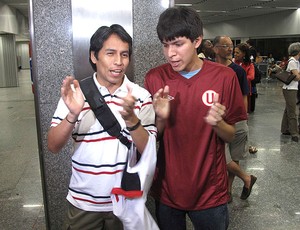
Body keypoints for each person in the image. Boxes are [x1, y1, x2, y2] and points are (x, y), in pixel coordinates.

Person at [144, 7, 247, 230]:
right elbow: (152, 139)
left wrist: (218, 123)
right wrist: (160, 118)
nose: (170, 53)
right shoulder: (155, 78)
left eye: (178, 44)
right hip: (168, 189)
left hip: (210, 191)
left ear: (197, 40)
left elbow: (230, 135)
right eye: (165, 45)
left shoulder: (224, 77)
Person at [47, 24, 157, 229]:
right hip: (83, 203)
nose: (118, 62)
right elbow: (53, 146)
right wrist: (73, 113)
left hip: (125, 202)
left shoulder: (140, 96)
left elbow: (150, 150)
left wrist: (132, 121)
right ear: (94, 56)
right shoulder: (76, 94)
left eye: (124, 55)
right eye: (110, 53)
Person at [213, 35, 257, 203]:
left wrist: (243, 118)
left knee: (235, 156)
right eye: (225, 46)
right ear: (216, 48)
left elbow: (245, 95)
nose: (230, 49)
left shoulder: (237, 71)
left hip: (236, 120)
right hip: (220, 120)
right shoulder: (208, 68)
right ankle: (247, 178)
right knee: (222, 157)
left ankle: (228, 190)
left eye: (231, 46)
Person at [233, 43, 258, 154]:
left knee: (244, 120)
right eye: (235, 52)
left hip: (244, 92)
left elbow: (251, 76)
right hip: (233, 92)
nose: (235, 54)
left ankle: (246, 144)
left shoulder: (249, 65)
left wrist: (240, 75)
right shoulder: (233, 63)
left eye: (237, 52)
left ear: (243, 54)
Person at [280, 42, 300, 142]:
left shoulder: (296, 62)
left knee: (288, 109)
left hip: (292, 88)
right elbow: (297, 77)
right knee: (292, 111)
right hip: (290, 89)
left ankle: (285, 129)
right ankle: (294, 133)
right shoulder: (292, 62)